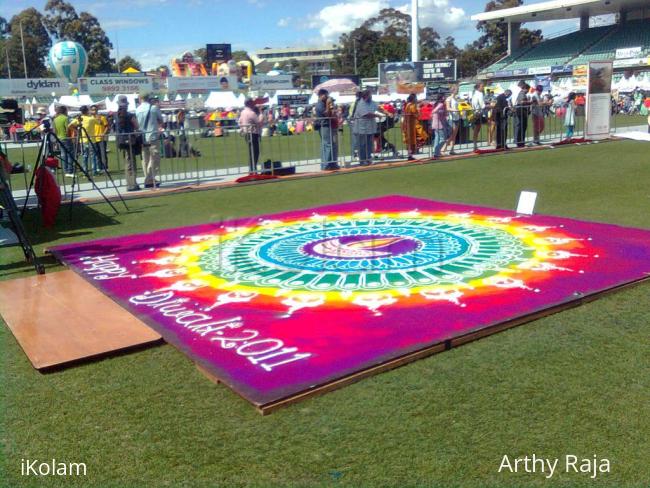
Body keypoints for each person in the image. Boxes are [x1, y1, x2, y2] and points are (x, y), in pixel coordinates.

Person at [136, 94, 164, 188]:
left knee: (145, 159)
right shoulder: (153, 108)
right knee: (155, 158)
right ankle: (149, 178)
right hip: (152, 135)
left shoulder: (137, 109)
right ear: (149, 99)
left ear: (140, 99)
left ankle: (149, 178)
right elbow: (161, 120)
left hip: (142, 137)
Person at [354, 90, 388, 166]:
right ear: (366, 96)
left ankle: (368, 159)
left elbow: (378, 107)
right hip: (361, 128)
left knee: (369, 144)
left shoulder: (372, 102)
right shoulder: (361, 104)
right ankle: (362, 160)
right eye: (370, 95)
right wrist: (378, 116)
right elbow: (366, 114)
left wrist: (387, 112)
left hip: (370, 128)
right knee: (362, 145)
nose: (371, 96)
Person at [115, 95, 141, 191]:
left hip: (121, 141)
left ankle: (130, 182)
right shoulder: (130, 115)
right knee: (131, 162)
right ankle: (132, 184)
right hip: (130, 140)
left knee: (127, 162)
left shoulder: (116, 115)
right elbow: (137, 126)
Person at [69, 105, 99, 175]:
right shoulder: (91, 119)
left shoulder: (78, 119)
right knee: (93, 156)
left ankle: (85, 170)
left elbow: (69, 126)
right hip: (92, 139)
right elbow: (99, 123)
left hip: (83, 140)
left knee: (85, 156)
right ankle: (94, 171)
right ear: (87, 111)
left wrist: (76, 131)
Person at [314, 89, 339, 170]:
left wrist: (332, 107)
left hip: (329, 125)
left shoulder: (323, 103)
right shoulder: (319, 105)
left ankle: (332, 163)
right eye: (326, 95)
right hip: (324, 126)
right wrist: (328, 104)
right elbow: (327, 114)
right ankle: (326, 165)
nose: (327, 97)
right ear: (321, 95)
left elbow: (331, 113)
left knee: (330, 145)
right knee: (327, 145)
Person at [238, 99, 264, 173]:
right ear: (249, 103)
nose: (254, 104)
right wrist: (261, 113)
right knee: (255, 153)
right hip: (253, 134)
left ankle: (252, 169)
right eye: (252, 102)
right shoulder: (251, 113)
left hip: (247, 134)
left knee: (251, 152)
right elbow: (259, 123)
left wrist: (243, 128)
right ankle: (253, 170)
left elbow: (239, 122)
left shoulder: (243, 112)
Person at [53, 105, 75, 176]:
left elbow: (54, 130)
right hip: (66, 138)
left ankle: (65, 170)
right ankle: (70, 170)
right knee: (70, 154)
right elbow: (67, 128)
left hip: (59, 138)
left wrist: (56, 139)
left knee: (63, 155)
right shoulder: (66, 118)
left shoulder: (55, 119)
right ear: (65, 111)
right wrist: (69, 137)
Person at [442, 86, 460, 155]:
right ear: (453, 90)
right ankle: (444, 148)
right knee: (451, 135)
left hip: (457, 117)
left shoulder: (456, 99)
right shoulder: (448, 99)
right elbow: (448, 108)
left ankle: (452, 149)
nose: (457, 90)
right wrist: (455, 110)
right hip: (451, 118)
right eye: (456, 89)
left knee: (454, 135)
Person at [91, 105, 109, 171]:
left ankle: (105, 167)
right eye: (92, 109)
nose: (94, 111)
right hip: (93, 138)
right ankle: (99, 167)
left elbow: (107, 126)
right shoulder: (90, 119)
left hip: (101, 138)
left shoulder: (102, 117)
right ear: (90, 110)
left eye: (95, 109)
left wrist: (103, 133)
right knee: (97, 154)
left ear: (97, 110)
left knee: (103, 153)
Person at [513, 80, 531, 147]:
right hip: (521, 111)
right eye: (528, 90)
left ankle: (521, 141)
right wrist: (530, 102)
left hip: (522, 112)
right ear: (525, 88)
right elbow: (521, 102)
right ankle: (520, 142)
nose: (528, 91)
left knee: (522, 127)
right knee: (521, 127)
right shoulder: (522, 93)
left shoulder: (522, 93)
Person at [430, 94, 448, 159]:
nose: (445, 98)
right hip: (439, 124)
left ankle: (436, 153)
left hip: (436, 124)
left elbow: (445, 114)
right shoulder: (441, 104)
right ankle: (436, 151)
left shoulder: (437, 104)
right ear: (442, 98)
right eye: (444, 97)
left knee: (437, 139)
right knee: (443, 139)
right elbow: (434, 111)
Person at [402, 94, 419, 160]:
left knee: (409, 140)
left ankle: (410, 154)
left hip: (407, 123)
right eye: (416, 98)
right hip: (410, 124)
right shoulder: (412, 105)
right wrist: (418, 112)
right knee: (410, 140)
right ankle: (410, 154)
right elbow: (415, 114)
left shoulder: (407, 104)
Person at [470, 82, 486, 151]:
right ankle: (475, 145)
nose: (483, 88)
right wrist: (490, 106)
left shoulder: (474, 94)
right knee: (477, 130)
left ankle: (475, 145)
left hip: (475, 113)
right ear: (478, 87)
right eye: (482, 86)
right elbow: (482, 105)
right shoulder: (480, 94)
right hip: (478, 114)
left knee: (476, 130)